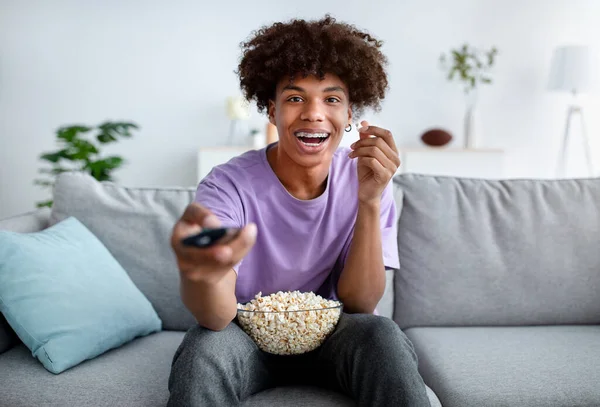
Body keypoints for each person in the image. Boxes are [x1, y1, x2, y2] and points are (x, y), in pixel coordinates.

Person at [167, 14, 431, 407]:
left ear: (350, 114)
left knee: (382, 335)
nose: (313, 112)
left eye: (331, 98)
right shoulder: (228, 186)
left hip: (335, 337)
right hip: (245, 337)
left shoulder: (367, 178)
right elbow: (217, 318)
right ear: (271, 110)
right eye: (294, 98)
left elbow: (360, 305)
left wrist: (369, 201)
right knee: (203, 347)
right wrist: (201, 273)